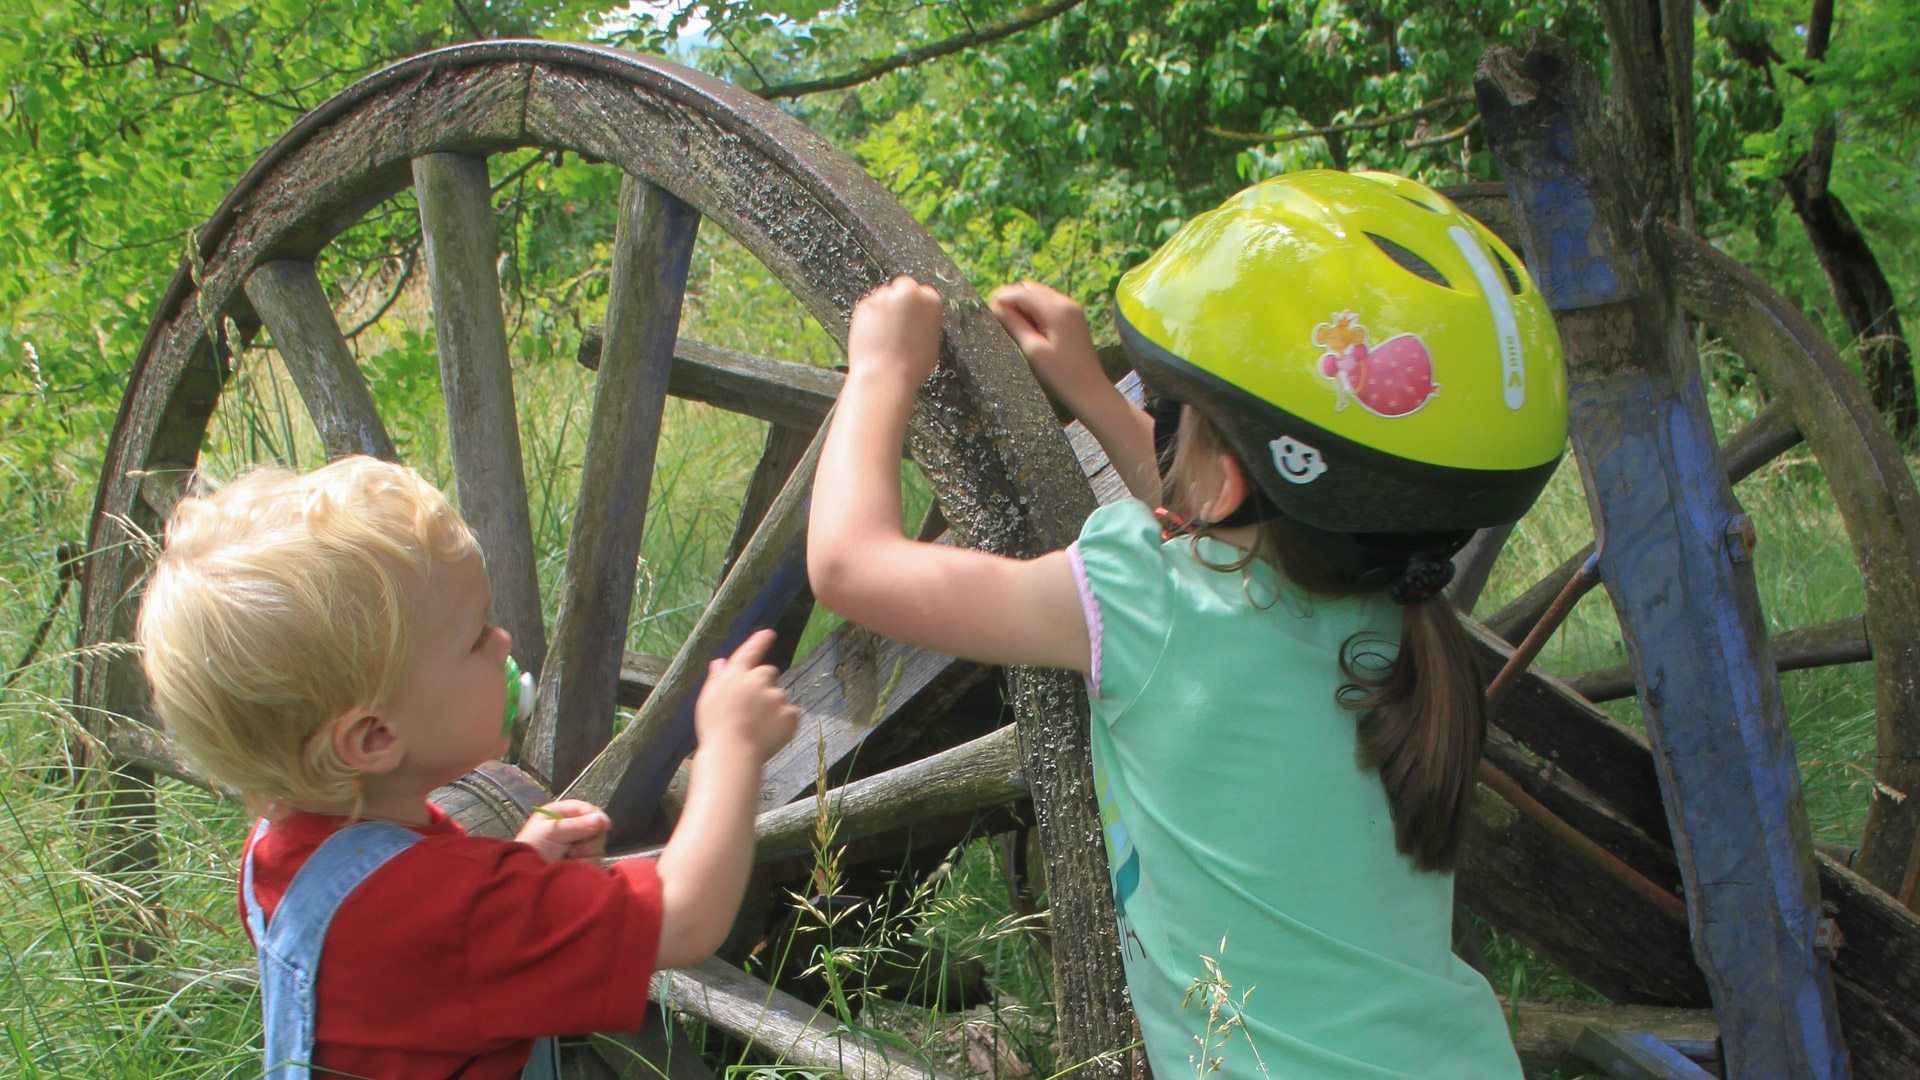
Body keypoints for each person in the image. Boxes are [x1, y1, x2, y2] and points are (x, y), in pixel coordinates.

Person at [808, 170, 1567, 1079]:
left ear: (1223, 478)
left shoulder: (1142, 596)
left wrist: (881, 370)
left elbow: (850, 566)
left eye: (1177, 418)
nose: (1163, 434)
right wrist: (1093, 391)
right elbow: (1232, 528)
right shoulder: (1403, 624)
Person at [137, 455, 799, 1080]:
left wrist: (520, 869)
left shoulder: (273, 855)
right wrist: (728, 750)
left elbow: (412, 973)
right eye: (478, 636)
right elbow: (684, 919)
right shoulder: (465, 917)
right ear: (373, 738)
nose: (505, 642)